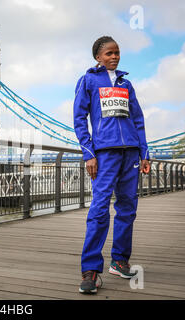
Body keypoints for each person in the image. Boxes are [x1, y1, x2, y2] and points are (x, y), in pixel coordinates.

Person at [73, 36, 150, 294]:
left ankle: (119, 261)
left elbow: (137, 120)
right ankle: (91, 270)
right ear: (98, 57)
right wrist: (88, 153)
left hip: (130, 154)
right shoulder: (88, 81)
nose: (114, 56)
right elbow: (79, 120)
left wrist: (144, 153)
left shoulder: (127, 84)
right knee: (99, 210)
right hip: (104, 155)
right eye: (109, 53)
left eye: (117, 52)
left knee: (128, 208)